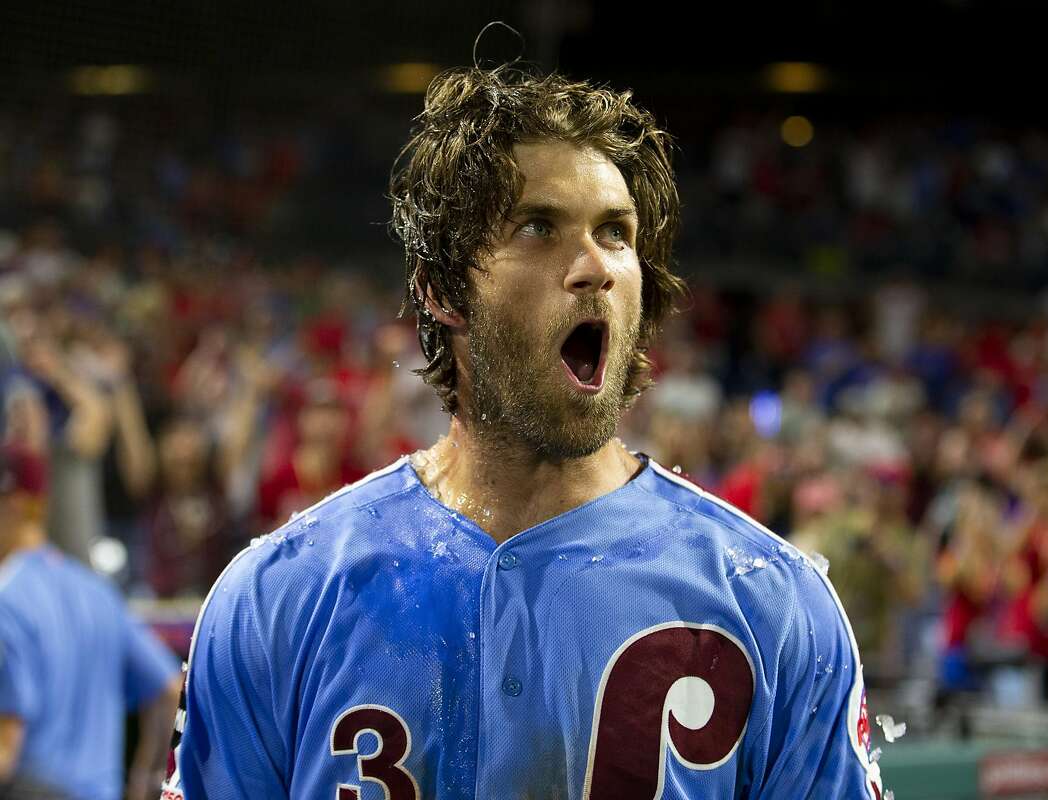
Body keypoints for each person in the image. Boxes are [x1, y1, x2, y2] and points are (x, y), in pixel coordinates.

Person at [165, 63, 885, 800]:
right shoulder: (278, 598)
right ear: (441, 288)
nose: (594, 267)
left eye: (615, 232)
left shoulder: (771, 605)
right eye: (539, 227)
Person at [0, 439, 182, 800]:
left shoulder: (6, 596)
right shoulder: (96, 591)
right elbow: (170, 689)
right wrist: (144, 781)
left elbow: (7, 743)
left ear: (15, 505)